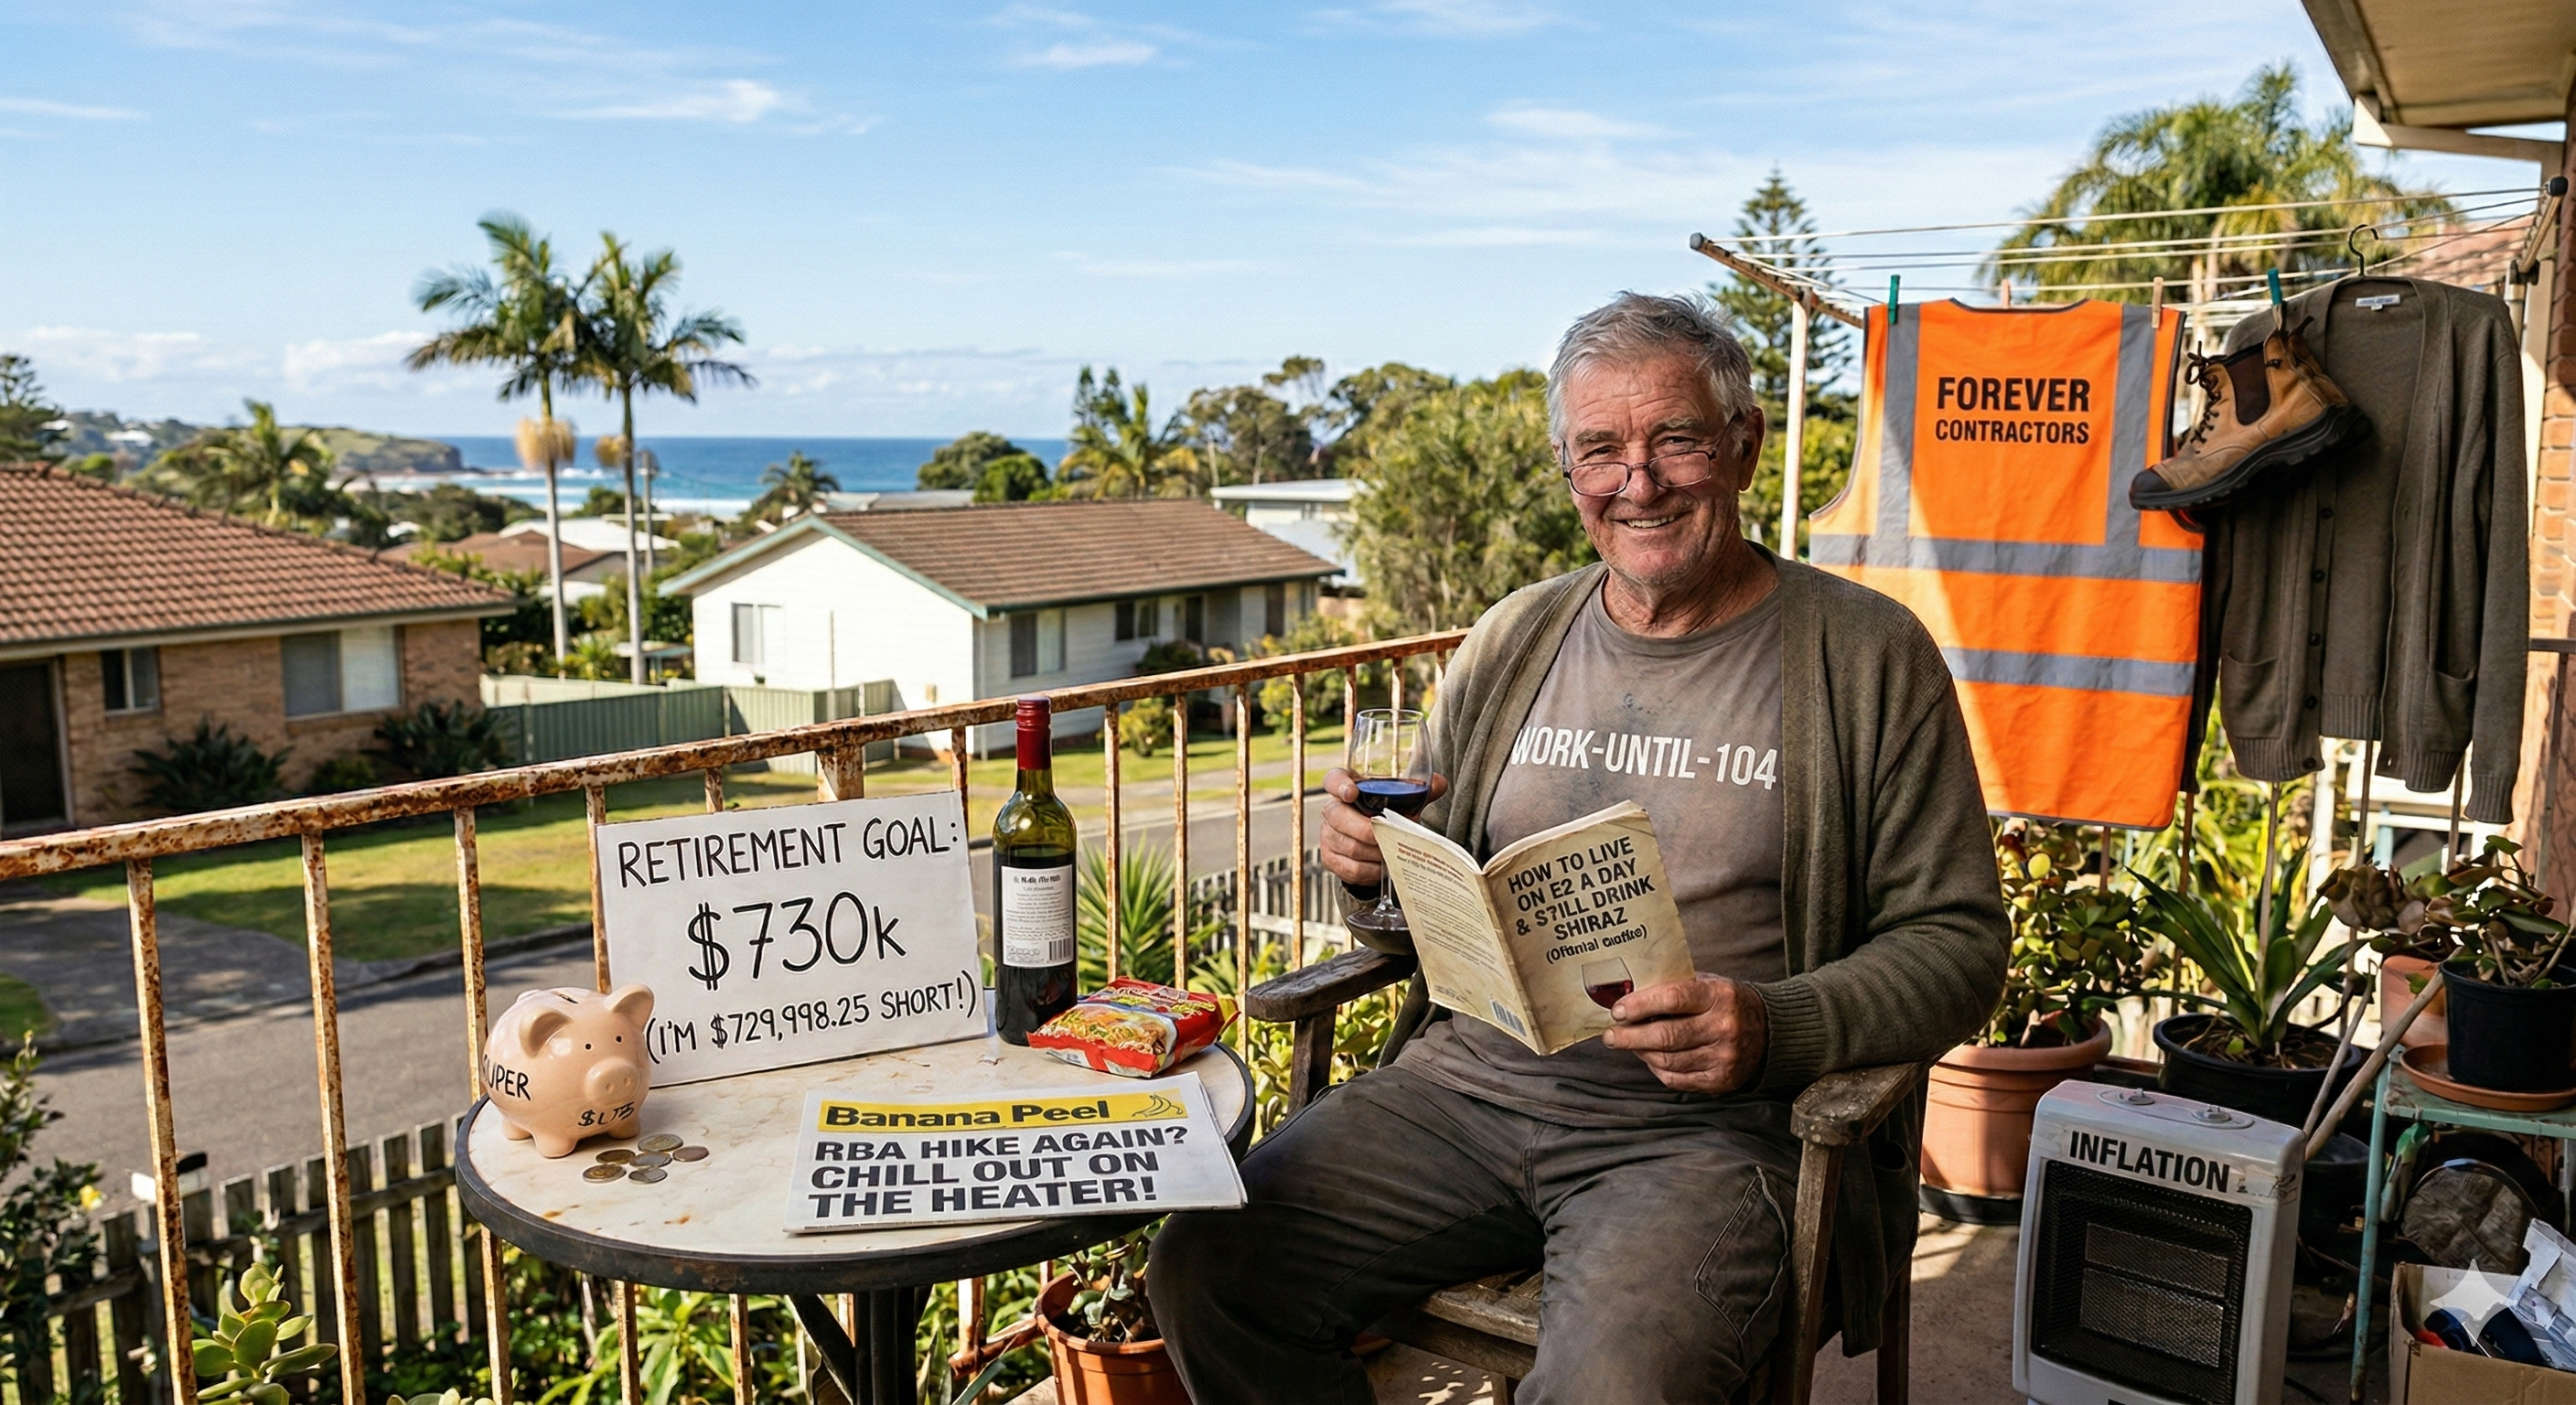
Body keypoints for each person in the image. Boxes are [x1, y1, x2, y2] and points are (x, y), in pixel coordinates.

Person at [1148, 292, 2008, 1403]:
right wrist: (1370, 875)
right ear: (1567, 469)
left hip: (1705, 1137)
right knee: (1206, 1267)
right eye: (1599, 450)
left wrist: (1772, 1025)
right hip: (1459, 1096)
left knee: (1612, 1389)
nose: (1635, 483)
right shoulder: (1514, 637)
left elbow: (1958, 944)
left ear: (1743, 446)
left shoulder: (1864, 656)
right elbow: (1421, 909)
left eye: (1675, 441)